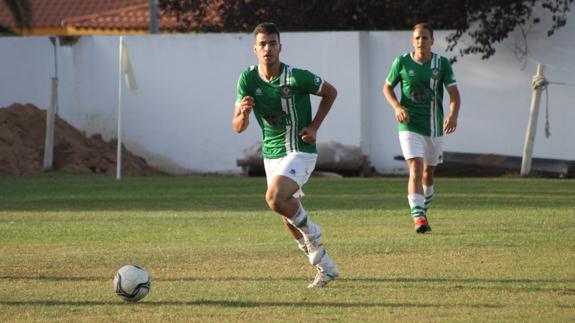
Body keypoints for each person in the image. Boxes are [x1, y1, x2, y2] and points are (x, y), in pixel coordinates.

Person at [233, 22, 339, 288]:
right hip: (272, 154)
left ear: (280, 46)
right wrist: (244, 114)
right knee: (285, 214)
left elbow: (330, 92)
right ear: (254, 49)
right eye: (262, 44)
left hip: (300, 150)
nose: (267, 48)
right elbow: (237, 127)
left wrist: (314, 126)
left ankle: (313, 233)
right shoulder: (247, 79)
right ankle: (325, 268)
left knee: (274, 198)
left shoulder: (296, 77)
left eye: (272, 43)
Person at [383, 23, 461, 234]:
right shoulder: (401, 62)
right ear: (412, 40)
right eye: (417, 38)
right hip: (409, 125)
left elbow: (454, 94)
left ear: (432, 41)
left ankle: (423, 208)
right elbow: (387, 87)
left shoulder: (441, 64)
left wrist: (452, 115)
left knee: (429, 171)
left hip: (434, 126)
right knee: (415, 168)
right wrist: (397, 106)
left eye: (425, 38)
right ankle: (418, 218)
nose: (421, 42)